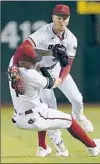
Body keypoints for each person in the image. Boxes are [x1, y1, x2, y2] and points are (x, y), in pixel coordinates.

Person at [11, 4, 94, 156]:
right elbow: (25, 46)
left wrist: (60, 80)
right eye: (58, 18)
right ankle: (58, 144)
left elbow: (68, 64)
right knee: (50, 109)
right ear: (53, 18)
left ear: (68, 20)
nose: (61, 21)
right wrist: (17, 66)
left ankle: (79, 115)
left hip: (58, 72)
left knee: (76, 98)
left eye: (64, 18)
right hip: (42, 74)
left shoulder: (72, 39)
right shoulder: (43, 32)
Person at [8, 48, 100, 157]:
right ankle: (93, 147)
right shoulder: (31, 75)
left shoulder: (12, 69)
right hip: (34, 118)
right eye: (33, 61)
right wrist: (42, 67)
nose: (35, 62)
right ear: (24, 62)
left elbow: (17, 56)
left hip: (17, 118)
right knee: (69, 120)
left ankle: (42, 148)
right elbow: (52, 84)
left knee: (44, 108)